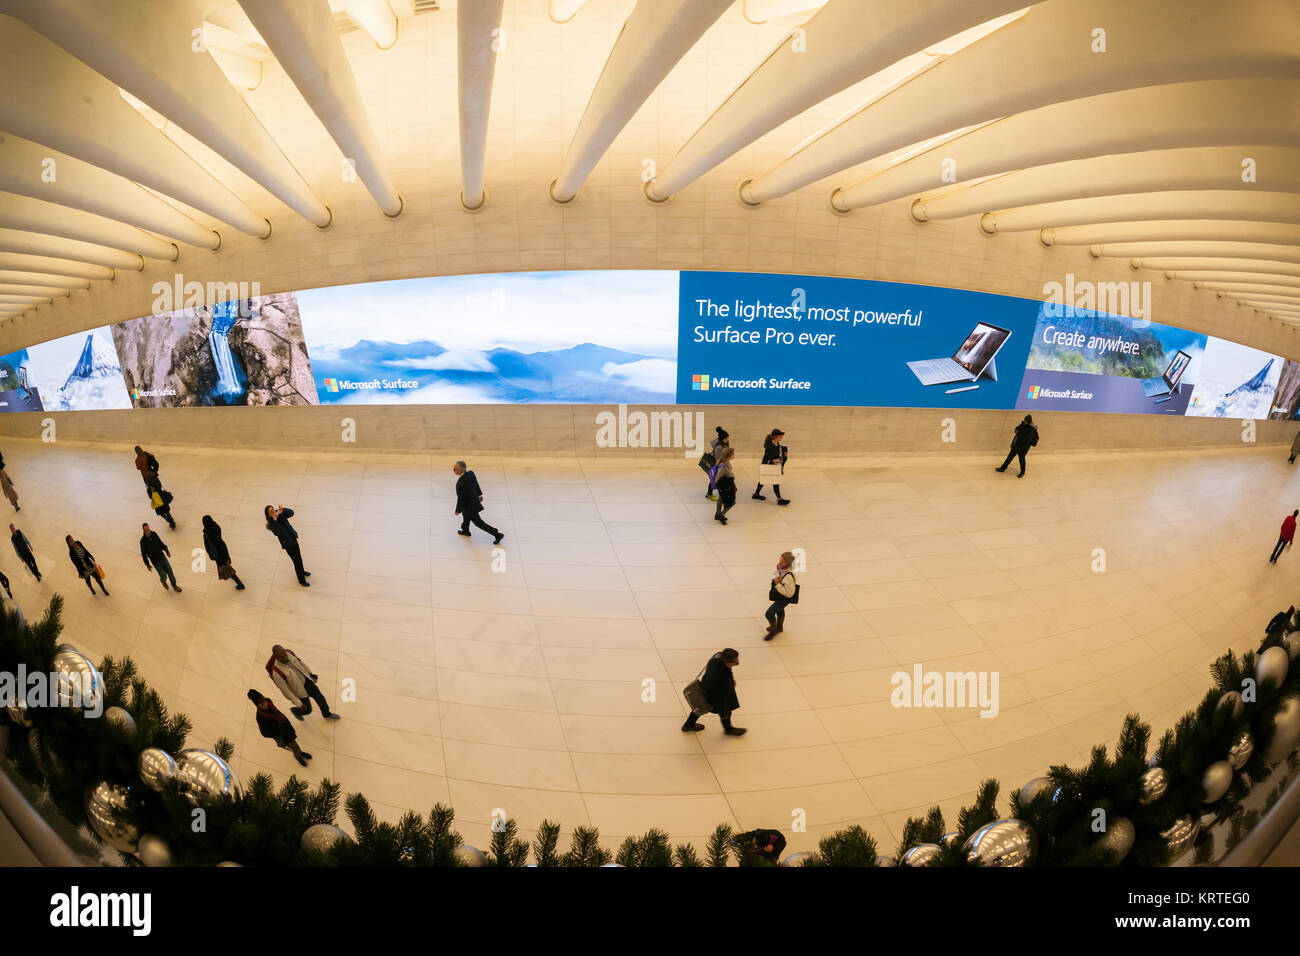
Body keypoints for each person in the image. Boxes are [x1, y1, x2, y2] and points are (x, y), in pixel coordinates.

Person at [681, 647, 746, 736]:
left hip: (705, 687)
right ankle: (728, 729)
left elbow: (726, 670)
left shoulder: (717, 657)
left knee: (700, 706)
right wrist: (723, 710)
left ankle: (688, 725)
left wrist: (731, 678)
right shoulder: (722, 680)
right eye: (735, 662)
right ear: (727, 662)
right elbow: (720, 697)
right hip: (715, 696)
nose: (737, 662)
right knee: (726, 712)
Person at [266, 645, 340, 721]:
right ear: (276, 657)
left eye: (284, 653)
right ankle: (296, 711)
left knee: (321, 699)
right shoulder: (277, 673)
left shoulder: (289, 654)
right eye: (281, 656)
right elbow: (286, 692)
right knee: (308, 710)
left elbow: (301, 664)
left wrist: (310, 674)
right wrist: (299, 704)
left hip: (308, 682)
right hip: (299, 691)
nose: (285, 657)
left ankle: (327, 714)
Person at [248, 689, 312, 767]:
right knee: (294, 745)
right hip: (281, 734)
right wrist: (277, 734)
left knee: (294, 742)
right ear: (257, 705)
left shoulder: (268, 701)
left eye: (264, 701)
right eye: (261, 704)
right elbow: (264, 733)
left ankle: (299, 752)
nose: (265, 705)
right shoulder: (260, 717)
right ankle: (298, 756)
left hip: (286, 725)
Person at [452, 461, 504, 544]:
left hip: (470, 506)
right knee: (466, 517)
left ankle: (497, 534)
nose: (453, 470)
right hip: (470, 503)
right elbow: (476, 484)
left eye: (455, 469)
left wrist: (457, 510)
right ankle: (465, 530)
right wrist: (479, 494)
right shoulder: (470, 474)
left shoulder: (461, 483)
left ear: (461, 470)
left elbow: (461, 499)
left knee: (478, 523)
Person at [265, 505, 311, 586]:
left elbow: (291, 513)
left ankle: (302, 572)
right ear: (268, 515)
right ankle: (302, 581)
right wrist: (275, 520)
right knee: (296, 561)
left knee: (299, 558)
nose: (273, 512)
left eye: (273, 509)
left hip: (293, 538)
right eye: (271, 511)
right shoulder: (271, 524)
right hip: (288, 544)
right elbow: (278, 533)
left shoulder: (280, 514)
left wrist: (283, 510)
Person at [202, 515, 244, 590]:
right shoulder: (216, 526)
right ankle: (232, 575)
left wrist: (210, 552)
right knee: (226, 563)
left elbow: (207, 546)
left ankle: (240, 584)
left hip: (217, 552)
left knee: (227, 567)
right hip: (223, 547)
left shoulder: (206, 533)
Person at [764, 551, 798, 641]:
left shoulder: (789, 576)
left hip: (785, 598)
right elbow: (773, 575)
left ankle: (773, 629)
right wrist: (776, 577)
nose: (779, 563)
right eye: (780, 560)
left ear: (788, 564)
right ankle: (779, 627)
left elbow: (789, 594)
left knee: (769, 613)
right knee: (779, 610)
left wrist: (777, 584)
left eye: (782, 562)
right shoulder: (781, 569)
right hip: (781, 595)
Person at [140, 522, 182, 592]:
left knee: (170, 571)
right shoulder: (143, 541)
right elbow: (143, 554)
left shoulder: (154, 534)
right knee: (163, 575)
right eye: (146, 530)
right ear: (144, 531)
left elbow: (160, 543)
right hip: (155, 562)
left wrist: (166, 550)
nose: (148, 531)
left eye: (149, 529)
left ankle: (174, 585)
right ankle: (163, 581)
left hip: (162, 557)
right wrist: (147, 564)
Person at [753, 428, 790, 505]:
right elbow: (766, 459)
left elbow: (776, 454)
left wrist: (783, 455)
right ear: (776, 436)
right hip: (768, 466)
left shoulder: (777, 444)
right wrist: (774, 461)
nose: (782, 436)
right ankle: (779, 499)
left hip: (774, 466)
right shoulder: (770, 446)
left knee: (766, 480)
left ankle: (756, 494)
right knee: (770, 481)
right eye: (780, 435)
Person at [713, 446, 737, 525]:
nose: (734, 455)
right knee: (732, 502)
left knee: (721, 498)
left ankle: (718, 513)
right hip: (725, 487)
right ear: (729, 455)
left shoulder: (726, 462)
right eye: (733, 454)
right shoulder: (722, 466)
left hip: (726, 486)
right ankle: (721, 514)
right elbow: (717, 479)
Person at [705, 427, 729, 500]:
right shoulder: (719, 447)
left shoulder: (723, 445)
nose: (727, 440)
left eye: (727, 438)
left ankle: (711, 493)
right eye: (725, 438)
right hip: (718, 466)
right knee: (716, 480)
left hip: (720, 466)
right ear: (722, 439)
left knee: (716, 480)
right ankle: (710, 494)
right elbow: (718, 459)